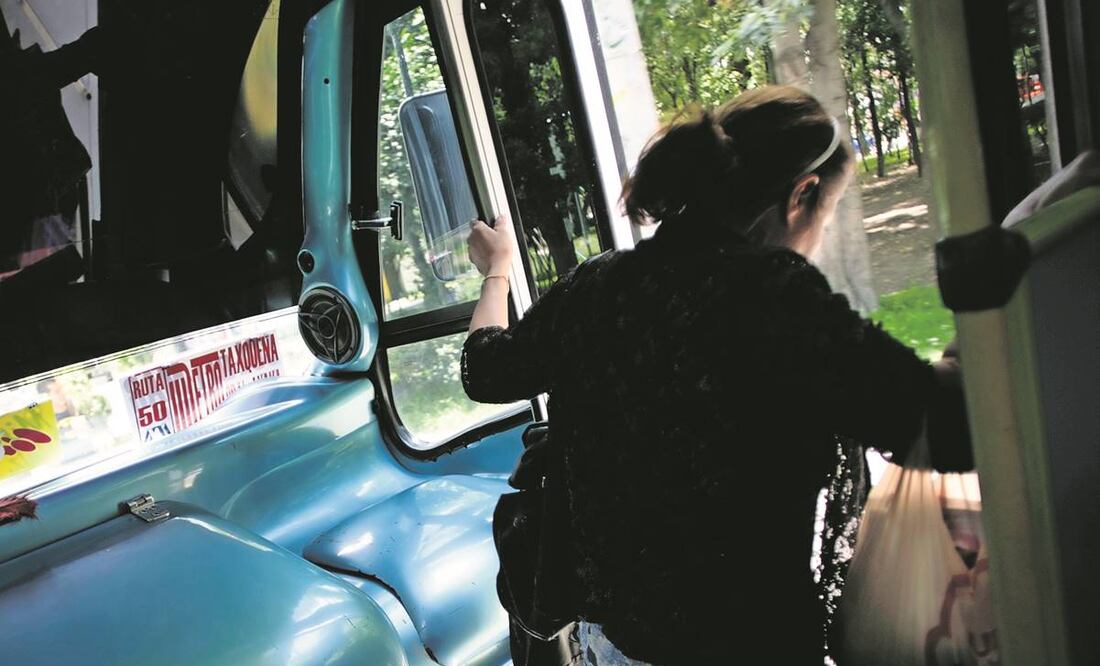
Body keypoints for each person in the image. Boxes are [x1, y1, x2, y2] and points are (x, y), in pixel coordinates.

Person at [461, 86, 971, 665]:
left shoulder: (598, 286)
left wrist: (498, 270)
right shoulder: (776, 297)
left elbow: (484, 369)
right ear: (802, 195)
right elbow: (944, 427)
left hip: (617, 648)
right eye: (826, 216)